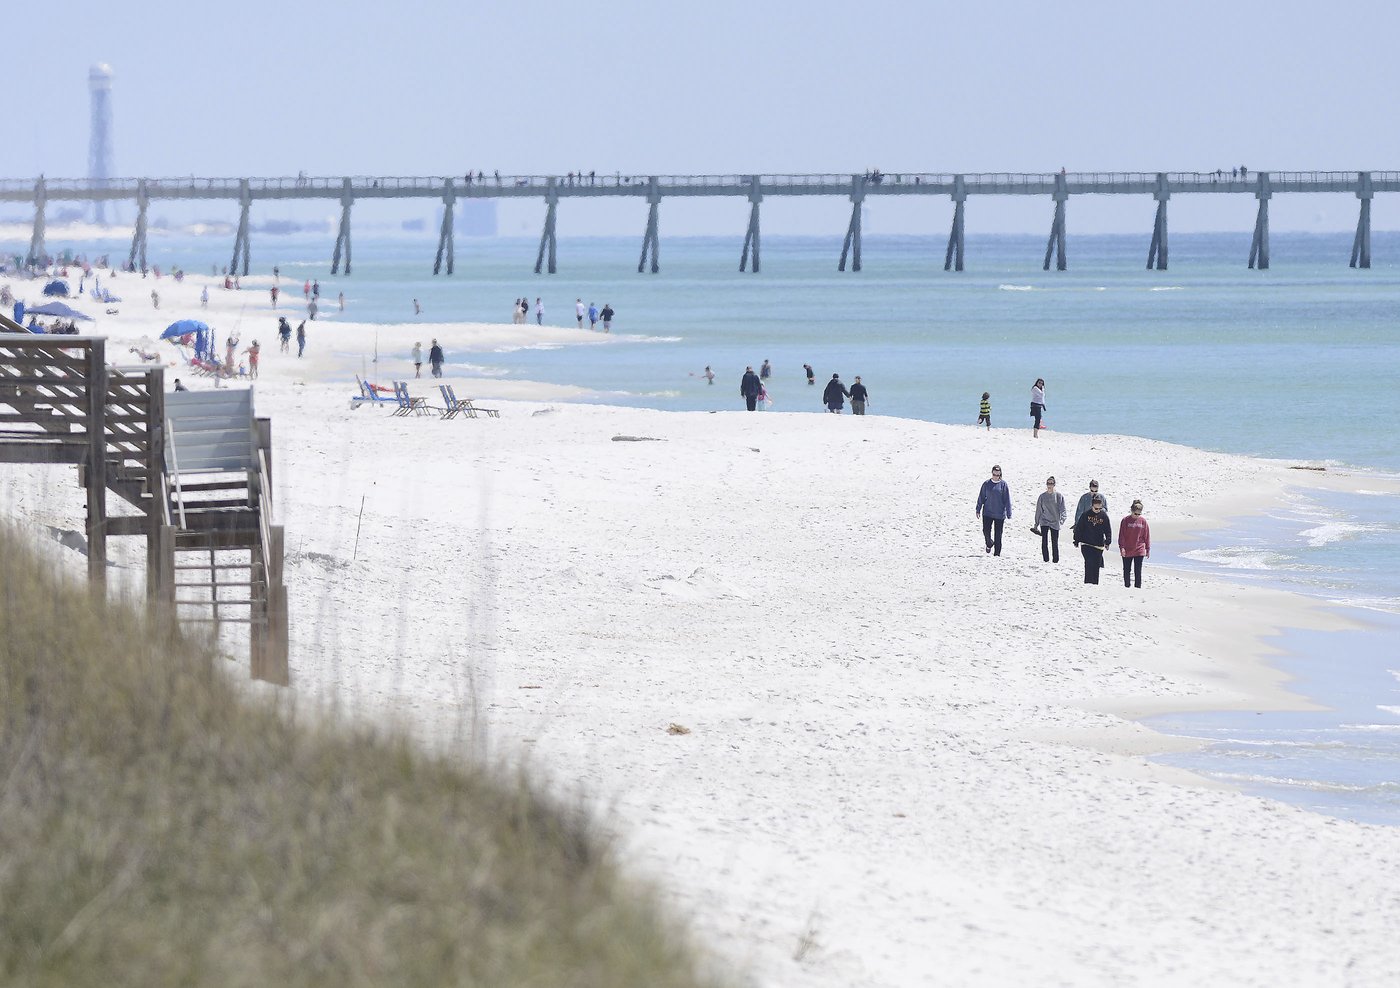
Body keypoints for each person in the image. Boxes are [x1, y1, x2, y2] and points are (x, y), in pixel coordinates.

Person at [1072, 495, 1113, 584]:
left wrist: (1108, 541)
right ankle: (1087, 583)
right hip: (1086, 544)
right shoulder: (1085, 515)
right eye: (1096, 508)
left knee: (1096, 566)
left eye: (1099, 508)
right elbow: (1079, 528)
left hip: (1098, 545)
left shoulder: (1103, 516)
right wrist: (1076, 540)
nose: (1098, 510)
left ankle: (1095, 584)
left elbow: (1107, 530)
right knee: (1088, 563)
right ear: (1092, 506)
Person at [975, 465, 1012, 555]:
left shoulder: (1003, 485)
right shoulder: (986, 484)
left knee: (998, 535)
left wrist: (1009, 512)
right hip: (987, 512)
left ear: (1000, 475)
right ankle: (989, 543)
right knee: (986, 531)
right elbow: (981, 497)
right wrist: (978, 509)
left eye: (998, 475)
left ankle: (997, 554)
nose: (996, 476)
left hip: (999, 514)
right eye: (994, 474)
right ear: (992, 473)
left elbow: (1007, 499)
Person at [1032, 476, 1067, 563]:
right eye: (1048, 483)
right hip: (1044, 521)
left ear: (1054, 485)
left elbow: (1063, 510)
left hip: (1055, 522)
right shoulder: (1042, 496)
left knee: (1054, 542)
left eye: (1051, 483)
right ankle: (1045, 560)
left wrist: (1061, 521)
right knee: (1044, 541)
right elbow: (1038, 510)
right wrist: (1036, 524)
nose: (1049, 485)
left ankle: (1055, 561)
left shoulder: (1059, 496)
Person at [1118, 500, 1151, 588]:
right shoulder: (1125, 520)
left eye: (1138, 514)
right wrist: (1122, 548)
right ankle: (1127, 586)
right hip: (1127, 549)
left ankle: (1137, 588)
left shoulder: (1143, 521)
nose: (1137, 516)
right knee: (1126, 570)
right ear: (1131, 511)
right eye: (1135, 514)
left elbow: (1146, 535)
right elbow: (1121, 535)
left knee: (1138, 571)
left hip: (1139, 549)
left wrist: (1147, 549)